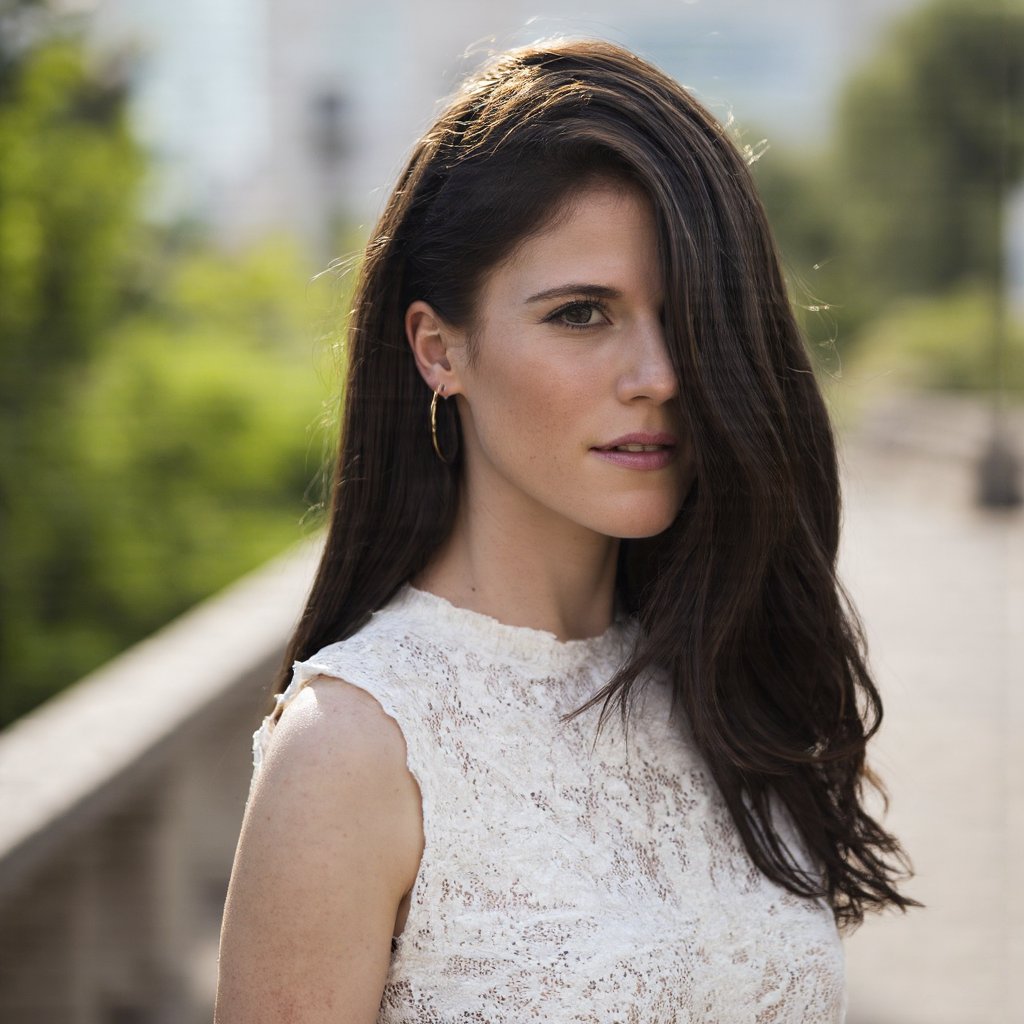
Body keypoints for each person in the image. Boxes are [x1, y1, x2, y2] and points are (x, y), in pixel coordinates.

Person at [213, 38, 919, 1023]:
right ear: (438, 348)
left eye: (685, 316)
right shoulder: (352, 753)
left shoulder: (718, 679)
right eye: (583, 313)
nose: (660, 374)